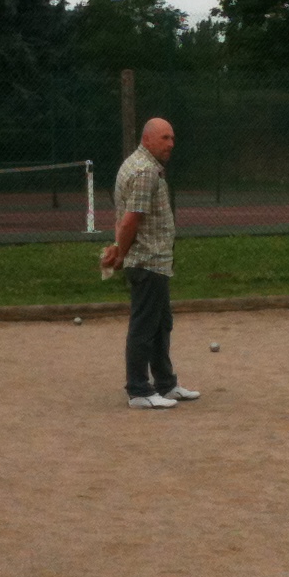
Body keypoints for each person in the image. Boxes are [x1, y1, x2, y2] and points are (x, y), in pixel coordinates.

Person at [100, 117, 198, 410]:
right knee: (145, 326)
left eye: (172, 138)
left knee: (160, 323)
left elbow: (125, 216)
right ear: (147, 139)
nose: (171, 144)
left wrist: (120, 249)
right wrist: (120, 253)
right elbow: (131, 220)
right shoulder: (145, 172)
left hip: (155, 260)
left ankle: (166, 384)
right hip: (147, 260)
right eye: (165, 138)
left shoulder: (136, 164)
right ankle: (139, 390)